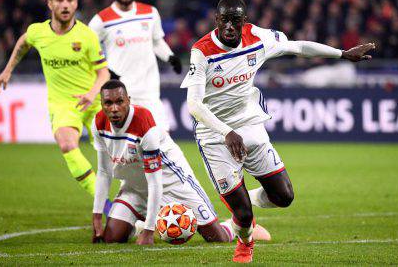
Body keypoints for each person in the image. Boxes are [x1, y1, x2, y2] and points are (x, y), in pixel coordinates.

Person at [181, 0, 375, 263]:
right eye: (224, 20)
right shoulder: (201, 51)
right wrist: (226, 132)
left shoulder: (258, 38)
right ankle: (246, 241)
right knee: (245, 217)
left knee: (284, 197)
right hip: (214, 135)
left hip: (250, 125)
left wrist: (341, 54)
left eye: (235, 21)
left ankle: (243, 198)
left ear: (243, 22)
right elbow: (193, 105)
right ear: (216, 21)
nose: (229, 26)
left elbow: (298, 47)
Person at [91, 80, 271, 244]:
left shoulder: (144, 123)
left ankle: (235, 225)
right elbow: (104, 172)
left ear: (128, 100)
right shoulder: (98, 123)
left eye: (119, 102)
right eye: (108, 103)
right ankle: (138, 224)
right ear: (101, 104)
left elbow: (155, 182)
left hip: (174, 183)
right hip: (134, 188)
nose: (114, 108)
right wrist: (97, 217)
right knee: (111, 239)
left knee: (218, 239)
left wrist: (149, 231)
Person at [0, 0, 110, 199]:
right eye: (59, 0)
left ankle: (136, 204)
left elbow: (103, 72)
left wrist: (91, 93)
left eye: (69, 0)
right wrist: (7, 70)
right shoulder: (38, 32)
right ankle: (105, 203)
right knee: (67, 145)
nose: (64, 5)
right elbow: (23, 42)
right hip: (63, 103)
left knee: (121, 154)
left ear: (76, 3)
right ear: (50, 3)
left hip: (94, 101)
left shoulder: (87, 36)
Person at [88, 0, 182, 132]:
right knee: (125, 147)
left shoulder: (150, 13)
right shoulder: (100, 20)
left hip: (149, 90)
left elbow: (157, 42)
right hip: (120, 93)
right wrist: (106, 70)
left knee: (161, 137)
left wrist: (170, 57)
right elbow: (88, 51)